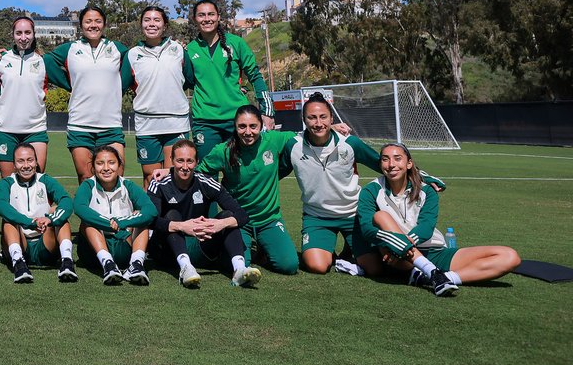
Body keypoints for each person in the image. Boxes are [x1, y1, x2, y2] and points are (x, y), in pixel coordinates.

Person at [284, 93, 444, 275]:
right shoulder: (293, 146)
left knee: (375, 268)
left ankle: (348, 252)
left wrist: (424, 178)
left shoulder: (350, 144)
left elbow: (383, 164)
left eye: (323, 117)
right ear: (304, 119)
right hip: (317, 216)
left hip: (353, 215)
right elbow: (275, 172)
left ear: (331, 118)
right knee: (317, 266)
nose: (318, 123)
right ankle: (331, 253)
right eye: (312, 117)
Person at [358, 142, 520, 296]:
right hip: (400, 256)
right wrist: (399, 245)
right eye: (385, 159)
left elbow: (427, 227)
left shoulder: (427, 191)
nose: (391, 164)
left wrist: (407, 242)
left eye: (397, 158)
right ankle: (430, 271)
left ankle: (441, 278)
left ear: (409, 164)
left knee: (509, 257)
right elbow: (367, 228)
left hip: (434, 251)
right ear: (380, 164)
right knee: (381, 216)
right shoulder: (371, 190)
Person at [195, 105, 301, 275]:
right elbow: (198, 174)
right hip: (238, 221)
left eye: (253, 126)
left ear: (261, 125)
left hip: (269, 219)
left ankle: (263, 247)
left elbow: (306, 138)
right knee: (234, 266)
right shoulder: (223, 151)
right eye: (242, 126)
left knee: (288, 266)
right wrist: (170, 172)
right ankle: (225, 242)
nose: (248, 132)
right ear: (235, 127)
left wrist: (329, 129)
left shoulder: (273, 140)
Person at [147, 138, 262, 288]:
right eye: (180, 161)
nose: (185, 166)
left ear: (196, 162)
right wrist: (182, 226)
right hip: (168, 253)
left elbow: (242, 214)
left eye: (190, 161)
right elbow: (150, 220)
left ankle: (239, 270)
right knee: (172, 214)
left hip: (201, 248)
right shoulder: (160, 184)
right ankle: (185, 268)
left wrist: (220, 224)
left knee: (227, 215)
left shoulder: (205, 182)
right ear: (172, 160)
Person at [44, 5, 133, 182]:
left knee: (116, 178)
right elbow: (47, 60)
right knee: (86, 177)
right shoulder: (71, 48)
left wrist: (118, 87)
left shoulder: (117, 48)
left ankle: (113, 211)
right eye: (88, 21)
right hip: (80, 126)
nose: (93, 25)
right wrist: (70, 84)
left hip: (110, 126)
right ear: (81, 25)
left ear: (104, 24)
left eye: (98, 21)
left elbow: (135, 59)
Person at [184, 0, 273, 158]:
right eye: (201, 15)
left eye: (211, 14)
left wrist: (267, 111)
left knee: (238, 175)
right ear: (194, 19)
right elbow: (186, 82)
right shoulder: (189, 50)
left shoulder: (236, 43)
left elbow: (255, 75)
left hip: (237, 120)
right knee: (205, 175)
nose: (207, 19)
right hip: (204, 121)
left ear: (218, 17)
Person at [126, 5, 192, 187]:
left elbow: (189, 80)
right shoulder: (132, 54)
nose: (151, 24)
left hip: (176, 122)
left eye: (156, 20)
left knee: (175, 177)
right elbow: (122, 85)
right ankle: (150, 216)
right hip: (147, 124)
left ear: (164, 25)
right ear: (141, 25)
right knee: (150, 176)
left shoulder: (178, 49)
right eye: (147, 20)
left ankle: (175, 216)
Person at [73, 145, 156, 285]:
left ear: (119, 165)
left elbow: (151, 210)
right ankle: (108, 264)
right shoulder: (88, 185)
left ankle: (136, 264)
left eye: (111, 162)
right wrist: (110, 224)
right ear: (93, 166)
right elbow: (79, 208)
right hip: (93, 252)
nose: (106, 168)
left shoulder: (128, 185)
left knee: (142, 218)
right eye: (100, 163)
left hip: (123, 244)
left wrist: (123, 222)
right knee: (87, 222)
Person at [0, 143, 77, 283]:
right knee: (8, 220)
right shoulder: (7, 183)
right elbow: (0, 205)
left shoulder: (45, 180)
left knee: (58, 213)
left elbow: (66, 201)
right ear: (14, 165)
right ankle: (19, 263)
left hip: (45, 242)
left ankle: (67, 261)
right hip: (21, 242)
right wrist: (30, 222)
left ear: (36, 162)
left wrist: (50, 220)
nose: (26, 165)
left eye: (30, 160)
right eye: (21, 161)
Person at [0, 16, 50, 177]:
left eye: (28, 32)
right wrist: (4, 94)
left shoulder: (43, 61)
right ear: (13, 35)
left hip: (35, 130)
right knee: (9, 184)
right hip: (6, 130)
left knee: (36, 182)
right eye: (19, 33)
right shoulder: (2, 59)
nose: (23, 37)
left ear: (34, 34)